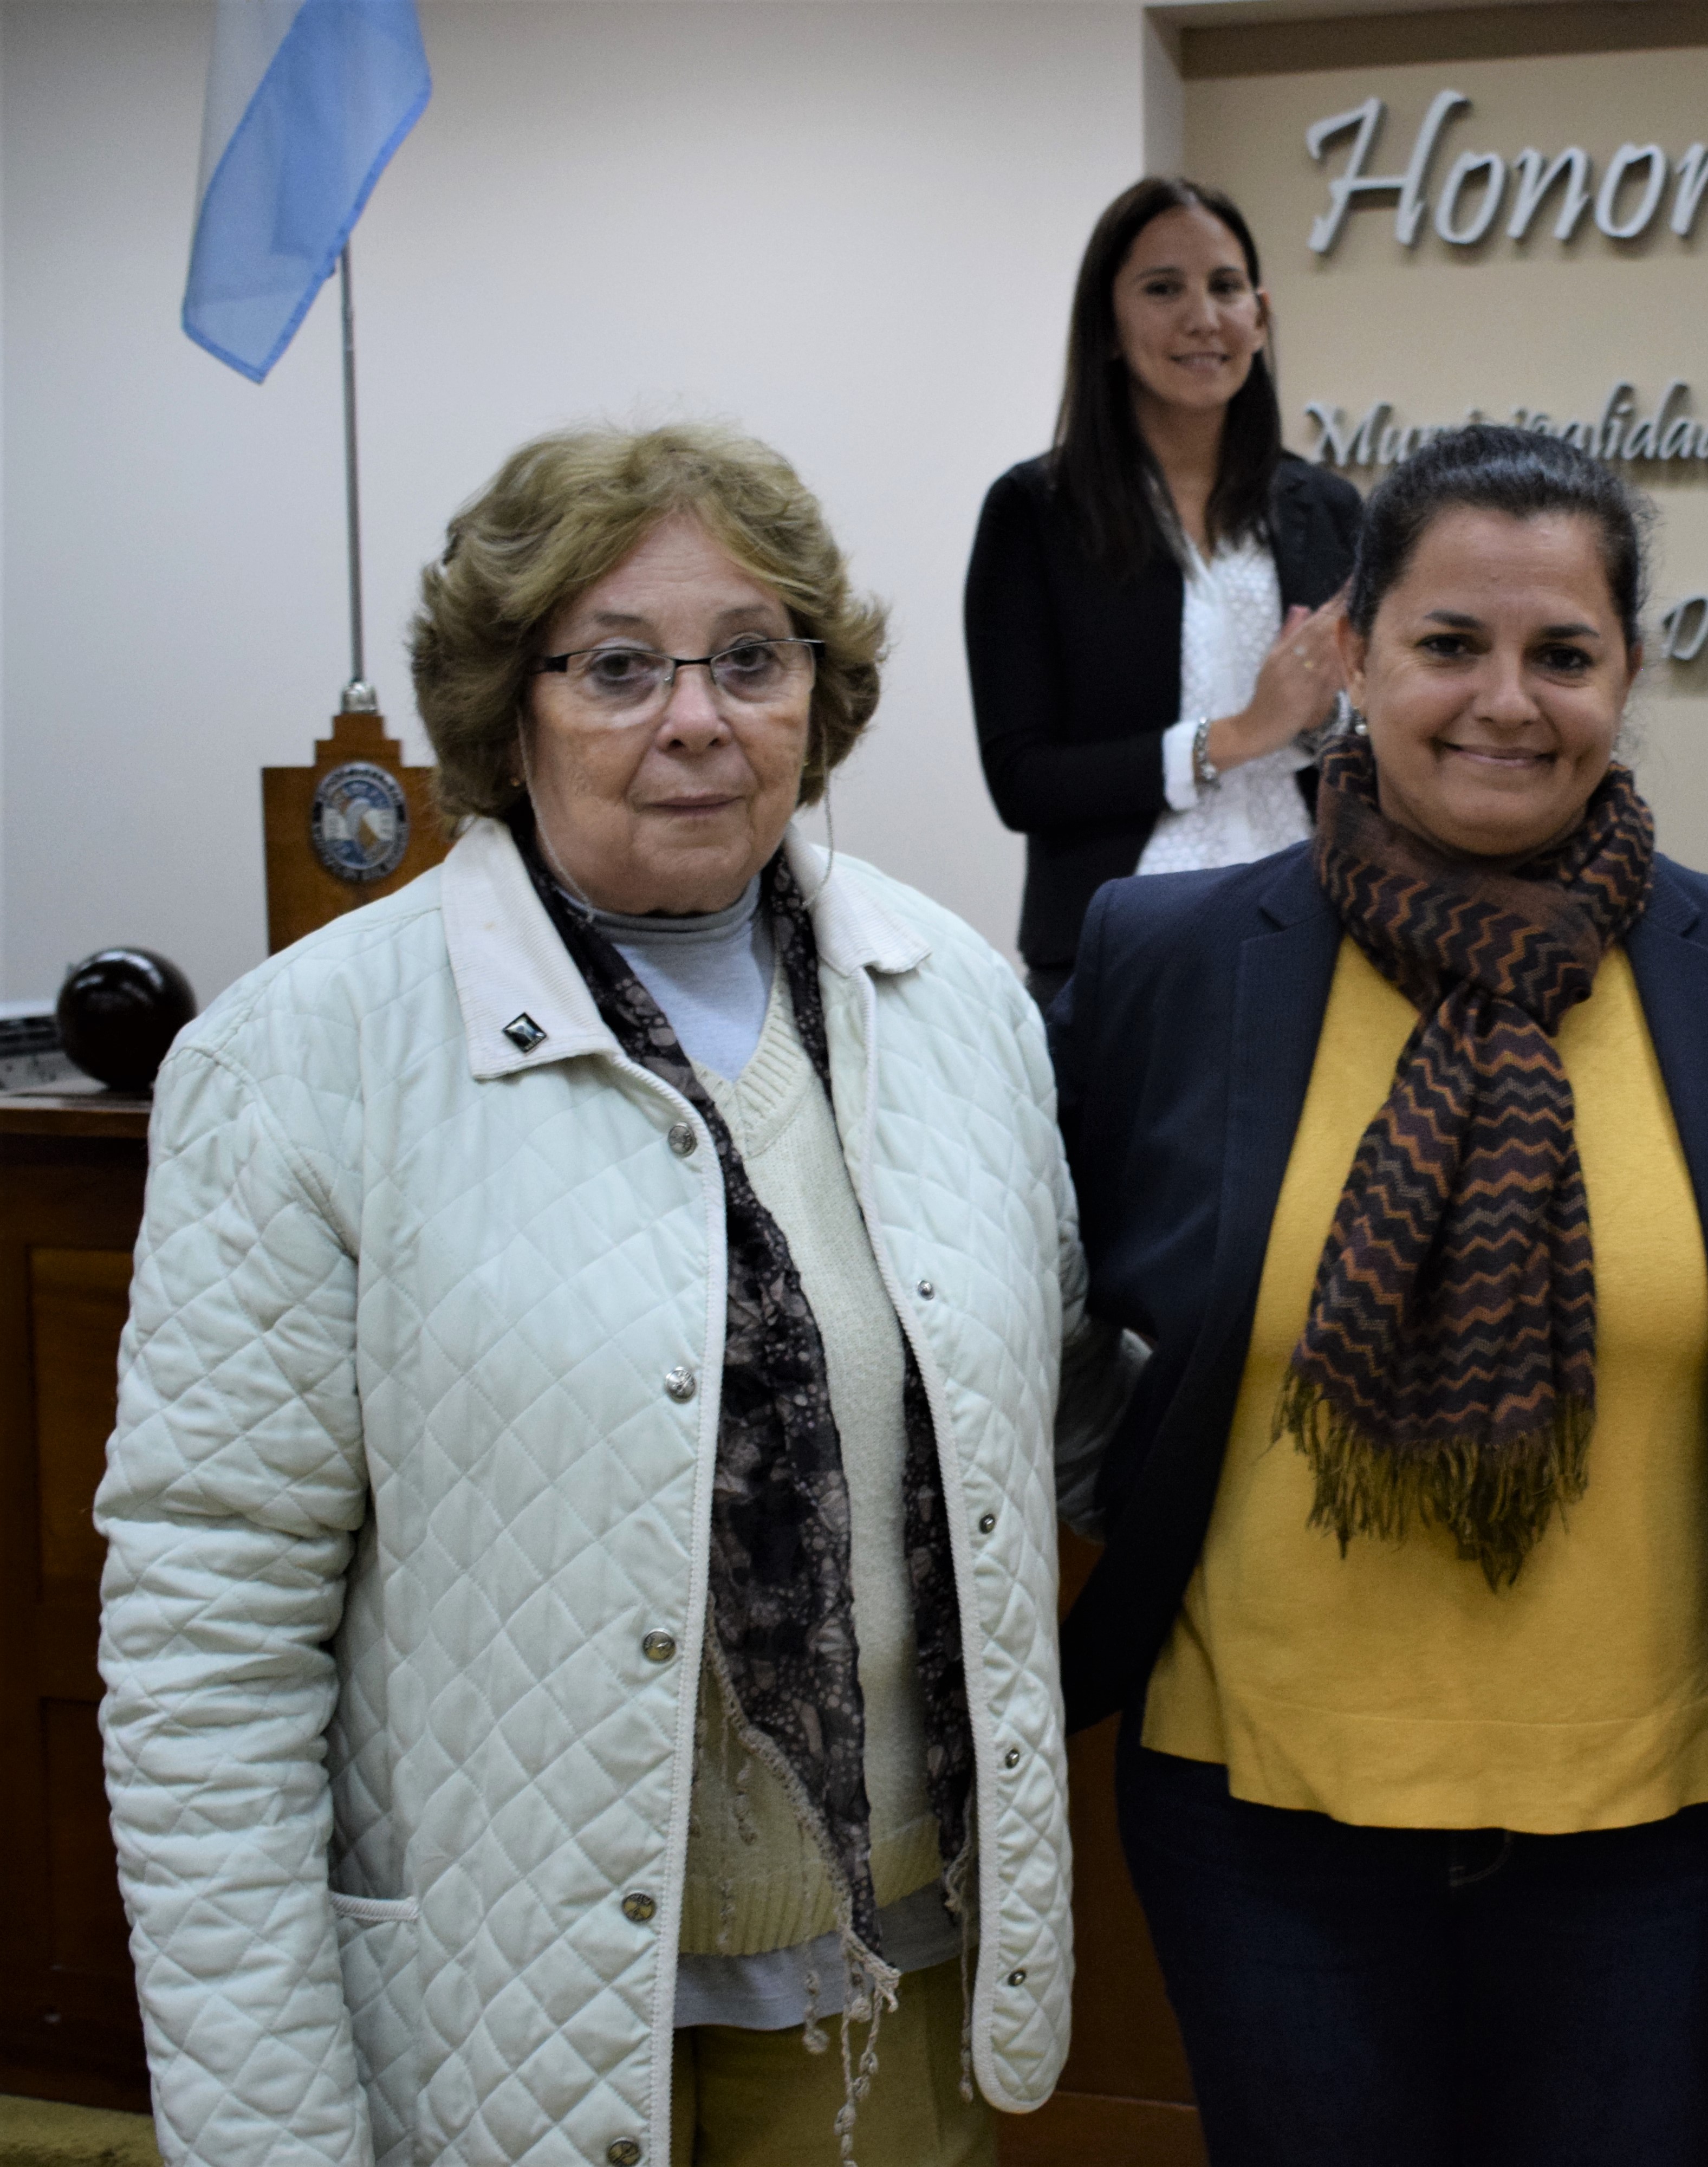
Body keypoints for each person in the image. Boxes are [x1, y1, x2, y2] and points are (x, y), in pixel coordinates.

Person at [97, 424, 1119, 2167]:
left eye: (751, 657)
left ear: (817, 693)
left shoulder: (956, 1004)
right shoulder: (302, 1060)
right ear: (509, 710)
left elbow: (1067, 1421)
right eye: (621, 667)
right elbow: (208, 1646)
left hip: (891, 1989)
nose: (698, 717)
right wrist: (266, 2123)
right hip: (502, 2025)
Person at [1049, 424, 1708, 2167]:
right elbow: (1038, 1303)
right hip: (1261, 1810)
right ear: (1353, 656)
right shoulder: (1167, 962)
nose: (1508, 700)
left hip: (1659, 1829)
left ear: (1627, 674)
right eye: (1449, 644)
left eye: (1563, 652)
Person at [965, 176, 1363, 1011]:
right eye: (1162, 289)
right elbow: (1022, 779)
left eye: (1225, 287)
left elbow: (1380, 738)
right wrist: (1240, 734)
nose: (1203, 317)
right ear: (1107, 326)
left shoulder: (1327, 507)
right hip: (1117, 952)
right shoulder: (1033, 512)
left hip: (1315, 929)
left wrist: (1319, 718)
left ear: (1260, 316)